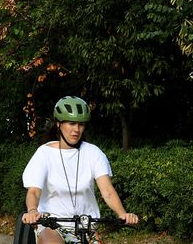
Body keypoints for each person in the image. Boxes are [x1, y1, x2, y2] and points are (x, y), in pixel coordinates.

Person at [21, 96, 139, 243]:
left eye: (81, 124)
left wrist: (122, 213)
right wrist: (32, 211)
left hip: (87, 226)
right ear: (58, 124)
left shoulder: (93, 153)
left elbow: (107, 190)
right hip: (52, 225)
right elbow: (34, 191)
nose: (76, 130)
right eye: (71, 123)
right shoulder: (44, 154)